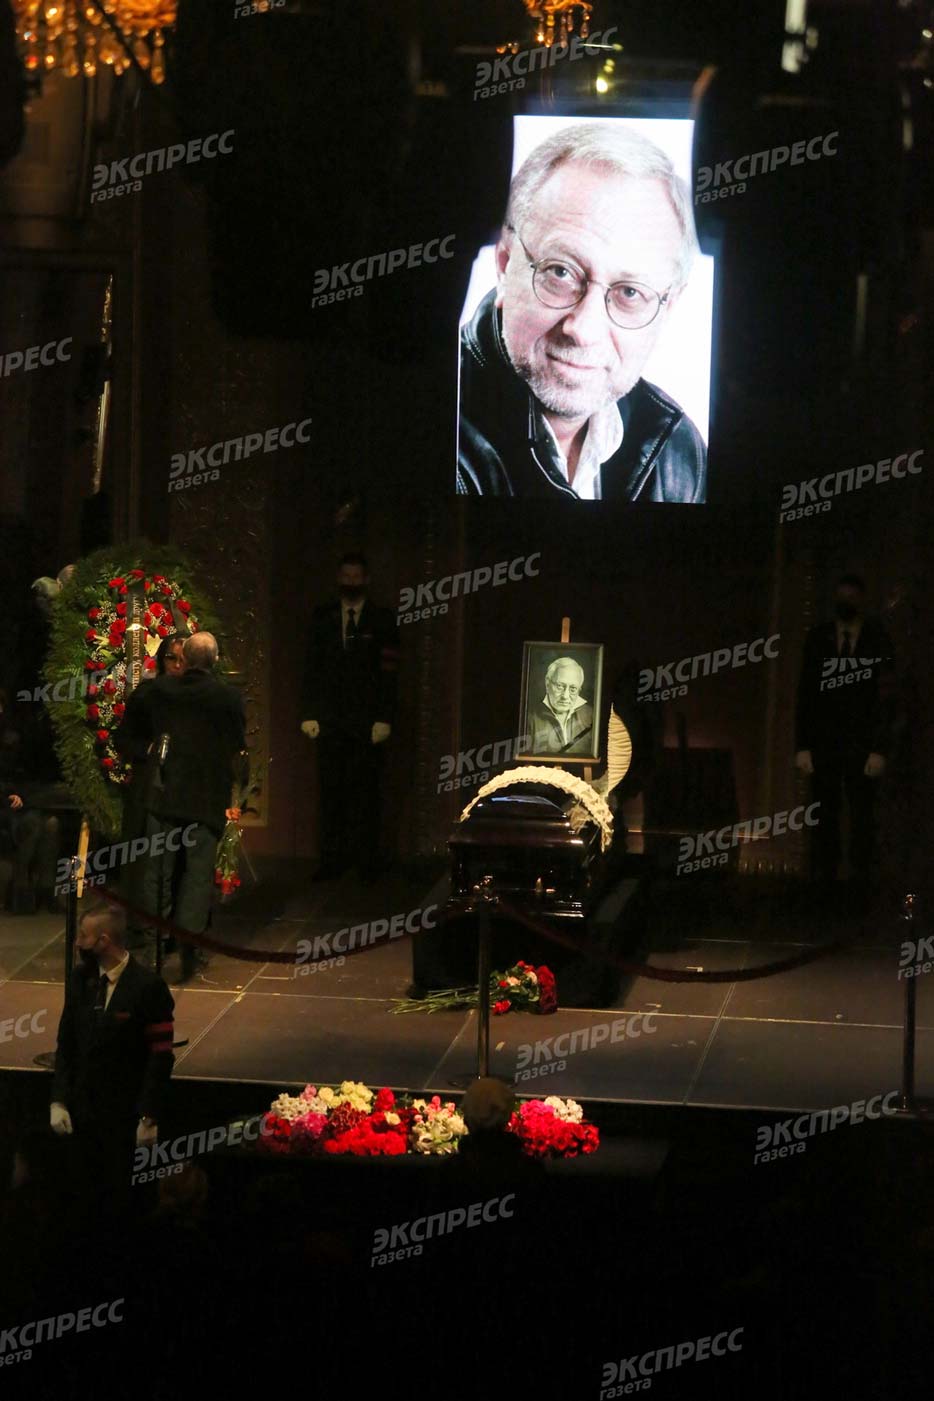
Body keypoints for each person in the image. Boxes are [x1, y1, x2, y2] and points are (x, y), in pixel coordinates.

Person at [457, 122, 706, 501]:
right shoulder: (430, 424)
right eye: (561, 272)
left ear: (667, 309)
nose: (583, 329)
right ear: (505, 264)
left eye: (629, 292)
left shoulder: (680, 453)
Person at [114, 631, 246, 980]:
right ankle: (189, 948)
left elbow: (129, 731)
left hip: (164, 795)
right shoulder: (228, 697)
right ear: (214, 660)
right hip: (206, 797)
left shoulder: (155, 692)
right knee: (197, 876)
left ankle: (154, 947)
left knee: (157, 874)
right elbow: (236, 746)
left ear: (185, 658)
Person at [49, 901, 175, 1191]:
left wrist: (149, 1116)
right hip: (82, 1117)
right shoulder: (80, 979)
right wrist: (58, 1100)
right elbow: (66, 1043)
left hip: (123, 1119)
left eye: (84, 936)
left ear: (104, 941)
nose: (78, 942)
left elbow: (160, 1057)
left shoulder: (148, 987)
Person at [301, 553, 400, 881]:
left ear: (366, 580)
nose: (351, 583)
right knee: (331, 794)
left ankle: (367, 862)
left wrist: (384, 717)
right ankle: (332, 860)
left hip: (368, 723)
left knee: (367, 794)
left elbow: (389, 674)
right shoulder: (323, 616)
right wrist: (309, 714)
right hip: (330, 722)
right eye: (347, 576)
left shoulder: (382, 619)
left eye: (356, 577)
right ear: (338, 578)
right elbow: (311, 669)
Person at [794, 574, 895, 886]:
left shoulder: (877, 639)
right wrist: (803, 746)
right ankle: (824, 879)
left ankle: (860, 881)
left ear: (861, 600)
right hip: (824, 743)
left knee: (863, 815)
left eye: (851, 597)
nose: (846, 603)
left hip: (862, 743)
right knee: (824, 812)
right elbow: (806, 694)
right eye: (842, 597)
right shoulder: (819, 638)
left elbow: (886, 698)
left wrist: (879, 748)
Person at [121, 635, 187, 955]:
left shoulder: (199, 697)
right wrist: (149, 751)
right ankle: (148, 933)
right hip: (150, 790)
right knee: (149, 865)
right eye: (172, 658)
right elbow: (125, 739)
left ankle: (175, 932)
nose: (177, 666)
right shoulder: (147, 696)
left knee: (179, 866)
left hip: (186, 794)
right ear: (162, 661)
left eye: (184, 660)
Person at [527, 657, 595, 756]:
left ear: (579, 690)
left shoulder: (592, 716)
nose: (565, 696)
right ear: (547, 684)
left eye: (573, 689)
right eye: (560, 686)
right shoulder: (529, 718)